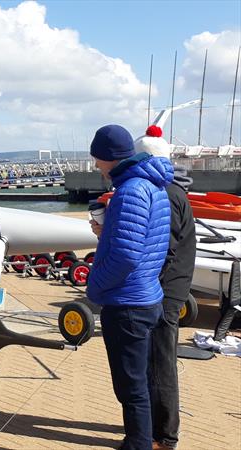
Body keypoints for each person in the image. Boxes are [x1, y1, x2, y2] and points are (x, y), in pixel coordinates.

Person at [86, 124, 173, 450]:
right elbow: (150, 242)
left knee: (130, 385)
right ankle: (146, 439)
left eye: (97, 159)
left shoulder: (131, 191)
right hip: (147, 296)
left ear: (108, 157)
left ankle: (137, 445)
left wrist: (95, 287)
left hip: (127, 304)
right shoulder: (153, 186)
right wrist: (105, 231)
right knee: (142, 381)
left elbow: (124, 257)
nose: (96, 166)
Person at [134, 125, 196, 450]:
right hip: (165, 288)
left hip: (164, 293)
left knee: (160, 365)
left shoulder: (167, 194)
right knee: (153, 364)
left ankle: (164, 438)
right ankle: (155, 427)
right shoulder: (169, 189)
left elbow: (164, 252)